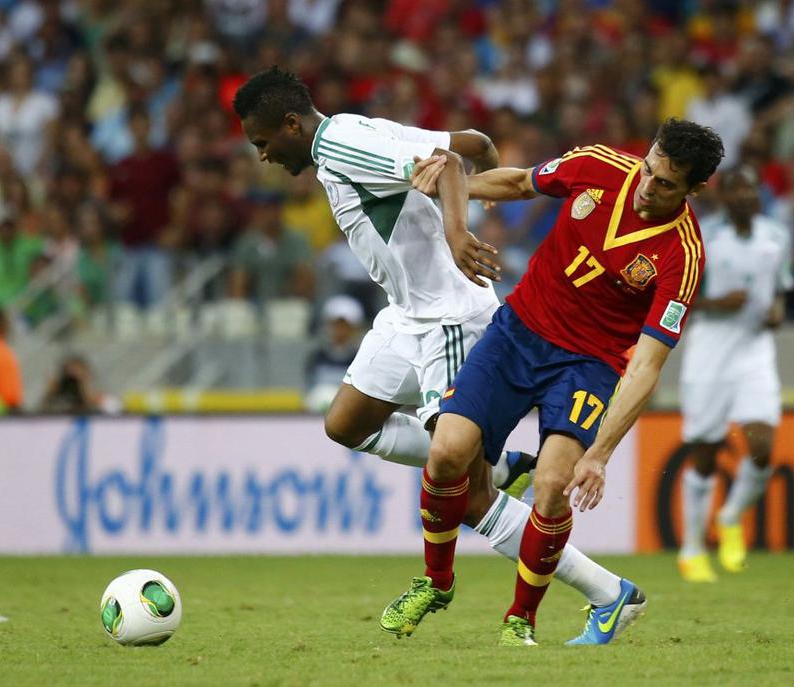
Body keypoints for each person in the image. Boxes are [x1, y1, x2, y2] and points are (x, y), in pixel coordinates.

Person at [233, 66, 643, 644]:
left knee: (469, 496)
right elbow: (471, 143)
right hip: (405, 316)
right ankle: (504, 467)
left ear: (292, 124)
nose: (262, 155)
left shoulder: (344, 142)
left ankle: (605, 591)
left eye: (263, 141)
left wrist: (456, 232)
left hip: (448, 317)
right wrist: (485, 174)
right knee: (345, 423)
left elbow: (449, 164)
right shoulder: (355, 130)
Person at [389, 118, 724, 645]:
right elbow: (522, 182)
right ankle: (436, 581)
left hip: (587, 365)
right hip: (516, 334)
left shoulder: (682, 256)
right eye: (648, 168)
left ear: (694, 189)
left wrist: (600, 455)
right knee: (447, 450)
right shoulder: (597, 165)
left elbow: (646, 366)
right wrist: (454, 187)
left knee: (550, 486)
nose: (647, 186)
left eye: (665, 184)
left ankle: (520, 619)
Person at [677, 166, 793, 582]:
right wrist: (716, 303)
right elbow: (679, 295)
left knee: (762, 444)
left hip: (754, 349)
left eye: (751, 188)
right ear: (722, 197)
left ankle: (729, 516)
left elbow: (780, 288)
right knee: (705, 453)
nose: (745, 195)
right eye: (736, 189)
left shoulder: (776, 235)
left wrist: (777, 311)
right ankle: (692, 548)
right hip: (710, 349)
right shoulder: (703, 236)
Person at [304, 294, 365, 414]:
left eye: (345, 326)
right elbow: (308, 388)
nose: (340, 330)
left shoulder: (362, 359)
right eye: (336, 325)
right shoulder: (316, 357)